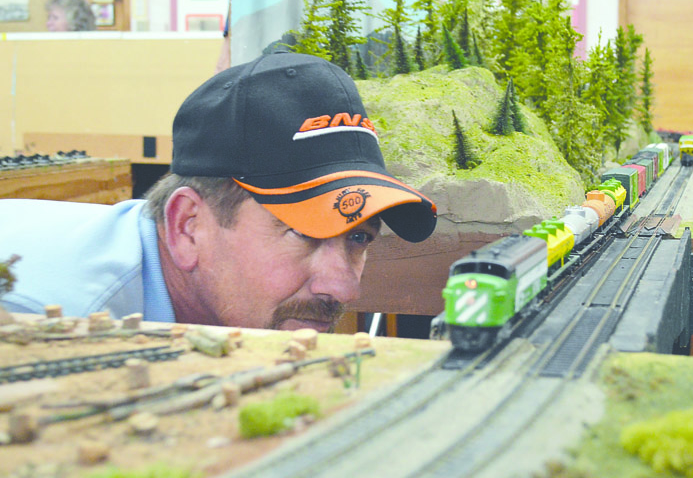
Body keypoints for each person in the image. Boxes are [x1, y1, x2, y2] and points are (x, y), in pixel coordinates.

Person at [0, 52, 437, 332]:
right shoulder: (46, 327)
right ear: (188, 227)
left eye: (359, 237)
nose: (344, 288)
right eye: (304, 232)